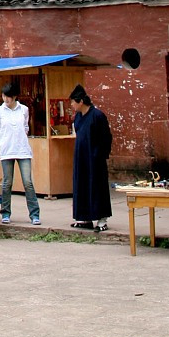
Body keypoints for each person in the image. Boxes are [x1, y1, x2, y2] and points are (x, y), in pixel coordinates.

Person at [0, 81, 41, 226]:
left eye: (8, 97)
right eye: (3, 96)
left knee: (28, 182)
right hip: (6, 150)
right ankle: (5, 213)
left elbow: (26, 127)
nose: (6, 99)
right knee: (7, 183)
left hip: (22, 149)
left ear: (14, 97)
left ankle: (35, 214)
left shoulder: (24, 109)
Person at [70, 84, 113, 231]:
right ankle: (85, 217)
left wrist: (99, 155)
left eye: (73, 102)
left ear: (81, 101)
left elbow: (106, 138)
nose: (72, 105)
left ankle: (102, 220)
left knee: (97, 187)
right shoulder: (78, 117)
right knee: (81, 185)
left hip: (95, 158)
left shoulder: (97, 116)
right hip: (81, 157)